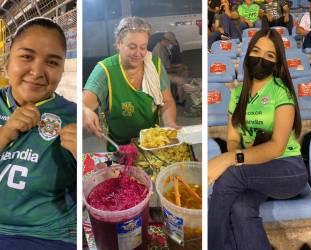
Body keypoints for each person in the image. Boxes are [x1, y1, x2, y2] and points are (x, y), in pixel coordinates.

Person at [208, 28, 308, 249]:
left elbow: (276, 147)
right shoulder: (237, 94)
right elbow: (233, 139)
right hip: (255, 170)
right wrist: (234, 154)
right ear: (248, 53)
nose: (262, 59)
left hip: (288, 169)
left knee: (231, 175)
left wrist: (228, 159)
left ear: (277, 62)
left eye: (270, 56)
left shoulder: (281, 92)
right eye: (257, 51)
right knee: (240, 208)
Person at [0, 17, 77, 249]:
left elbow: (96, 185)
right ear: (6, 62)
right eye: (26, 56)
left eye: (52, 62)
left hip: (47, 236)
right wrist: (5, 134)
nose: (37, 71)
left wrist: (79, 155)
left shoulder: (73, 117)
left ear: (62, 69)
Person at [83, 17, 179, 151]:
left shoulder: (155, 65)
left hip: (152, 145)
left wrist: (170, 124)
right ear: (118, 43)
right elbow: (84, 104)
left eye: (143, 47)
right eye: (132, 47)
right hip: (119, 149)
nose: (138, 54)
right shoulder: (105, 71)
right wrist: (85, 111)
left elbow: (167, 101)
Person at [152, 31, 189, 104]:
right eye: (170, 43)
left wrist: (179, 66)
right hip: (159, 74)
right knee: (181, 80)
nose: (171, 45)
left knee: (184, 70)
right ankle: (180, 100)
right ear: (166, 41)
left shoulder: (163, 47)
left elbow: (167, 64)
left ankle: (178, 93)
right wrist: (177, 68)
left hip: (163, 70)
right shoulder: (159, 50)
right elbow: (165, 69)